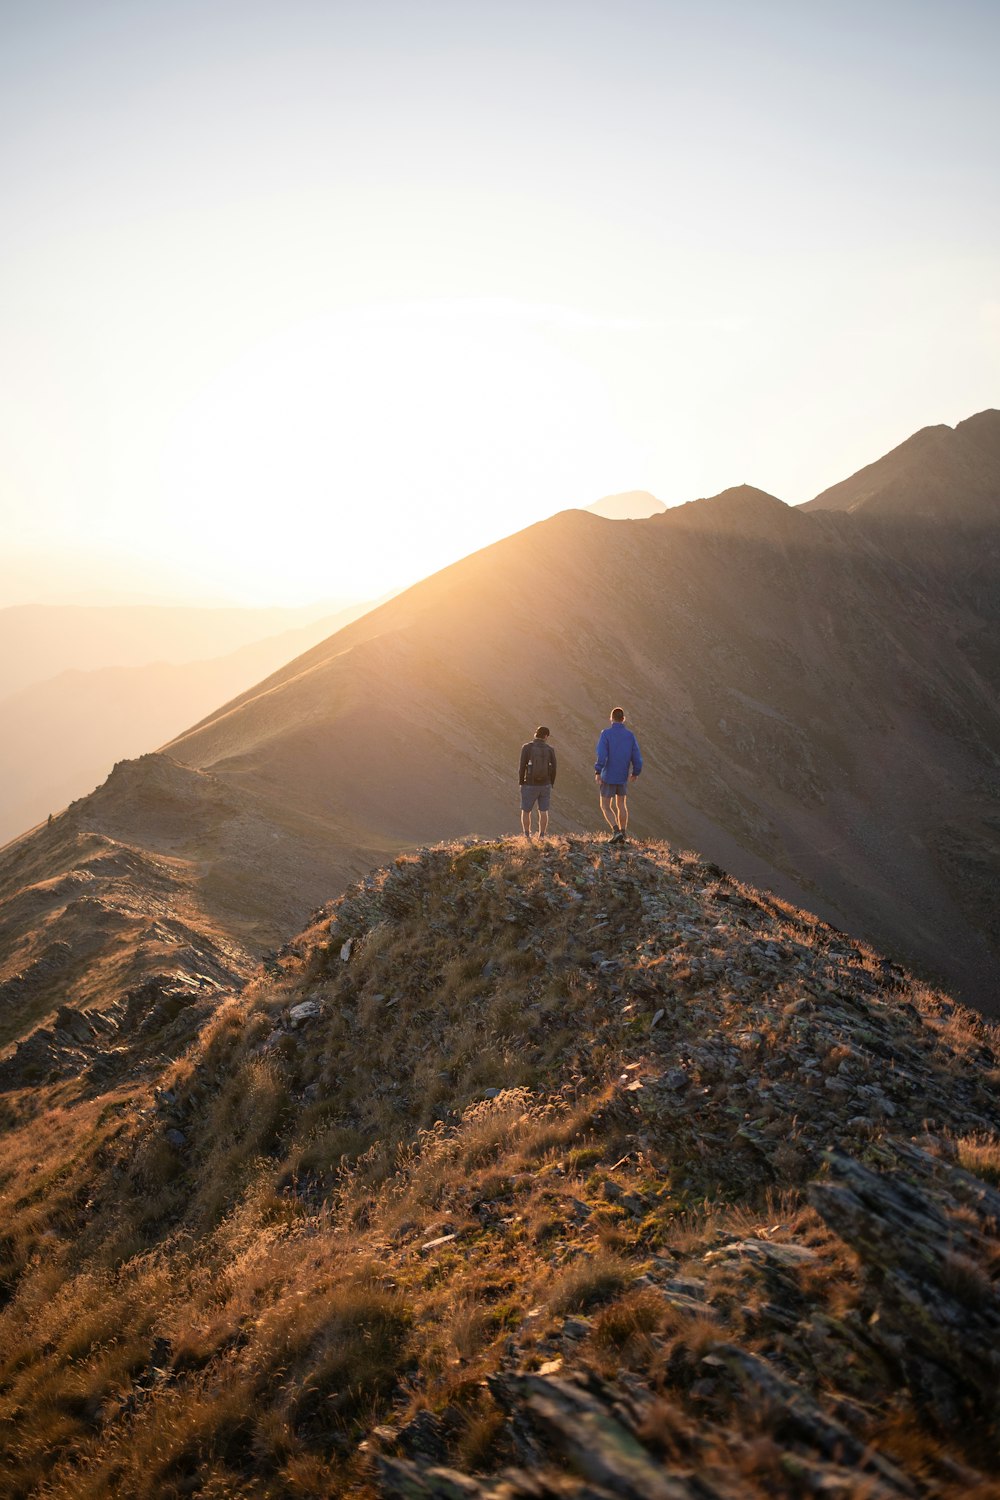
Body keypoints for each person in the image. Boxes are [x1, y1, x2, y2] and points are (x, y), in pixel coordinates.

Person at [595, 707, 642, 843]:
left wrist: (598, 771)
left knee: (605, 805)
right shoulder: (630, 735)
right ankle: (623, 832)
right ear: (623, 719)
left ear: (611, 718)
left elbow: (602, 754)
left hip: (608, 775)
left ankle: (616, 832)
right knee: (621, 804)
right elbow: (637, 756)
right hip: (622, 775)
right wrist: (635, 772)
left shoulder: (606, 734)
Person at [518, 726, 556, 838]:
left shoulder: (527, 748)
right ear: (546, 736)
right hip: (545, 784)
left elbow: (522, 766)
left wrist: (521, 782)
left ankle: (526, 835)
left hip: (529, 784)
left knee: (526, 810)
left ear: (536, 734)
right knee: (543, 811)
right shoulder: (550, 749)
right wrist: (551, 783)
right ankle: (542, 836)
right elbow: (554, 768)